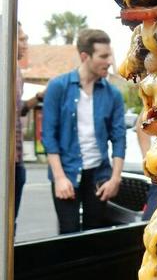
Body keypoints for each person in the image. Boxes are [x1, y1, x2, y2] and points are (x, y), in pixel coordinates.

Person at [41, 27, 126, 234]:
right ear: (85, 56)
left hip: (99, 175)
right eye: (103, 56)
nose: (109, 61)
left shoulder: (113, 94)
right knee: (68, 235)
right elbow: (49, 136)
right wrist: (59, 178)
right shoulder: (58, 87)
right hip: (67, 172)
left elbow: (119, 138)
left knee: (94, 235)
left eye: (110, 55)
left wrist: (115, 178)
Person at [14, 23, 43, 226]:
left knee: (8, 222)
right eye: (22, 38)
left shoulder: (16, 71)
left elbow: (17, 110)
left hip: (15, 160)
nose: (26, 43)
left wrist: (39, 97)